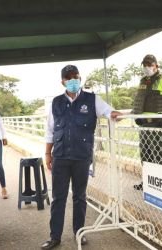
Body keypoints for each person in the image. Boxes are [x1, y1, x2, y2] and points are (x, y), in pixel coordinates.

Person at [41, 65, 122, 250]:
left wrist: (114, 115)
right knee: (58, 198)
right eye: (69, 78)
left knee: (80, 196)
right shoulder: (56, 102)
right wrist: (47, 153)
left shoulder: (92, 99)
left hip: (81, 156)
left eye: (76, 77)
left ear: (80, 78)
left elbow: (108, 111)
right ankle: (55, 237)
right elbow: (50, 130)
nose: (73, 80)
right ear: (62, 81)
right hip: (60, 156)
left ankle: (79, 233)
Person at [132, 54, 162, 191]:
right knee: (145, 155)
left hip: (158, 124)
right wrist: (137, 115)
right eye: (144, 65)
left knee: (160, 155)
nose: (147, 67)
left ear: (156, 66)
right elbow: (139, 99)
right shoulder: (142, 81)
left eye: (149, 65)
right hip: (144, 124)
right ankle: (148, 183)